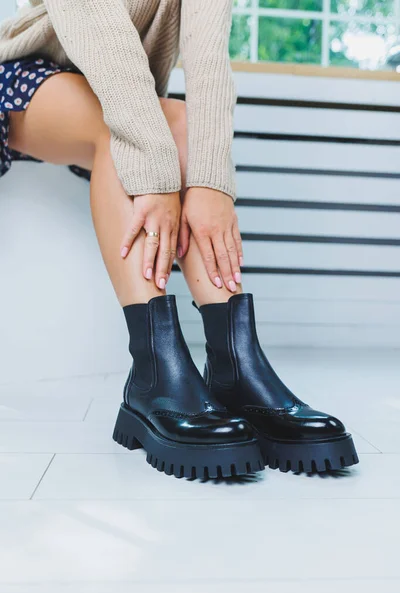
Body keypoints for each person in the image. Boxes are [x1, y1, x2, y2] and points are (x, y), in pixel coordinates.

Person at [0, 0, 358, 479]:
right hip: (28, 73)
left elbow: (209, 60)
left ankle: (236, 370)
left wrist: (213, 186)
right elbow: (97, 29)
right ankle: (153, 377)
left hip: (120, 92)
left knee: (182, 120)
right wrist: (157, 174)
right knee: (127, 129)